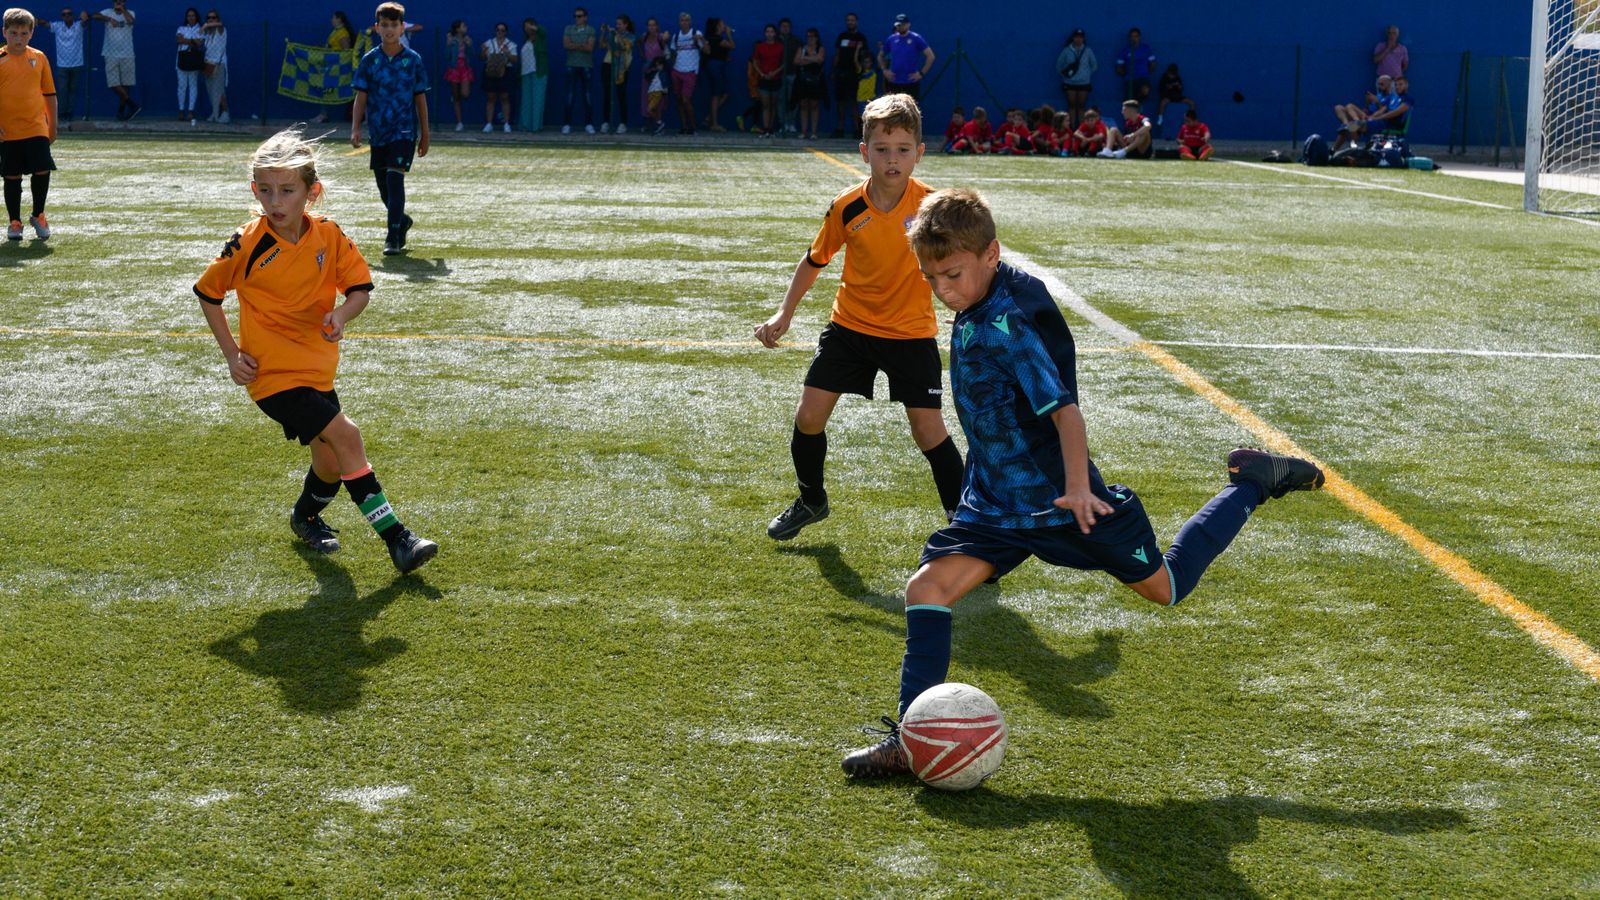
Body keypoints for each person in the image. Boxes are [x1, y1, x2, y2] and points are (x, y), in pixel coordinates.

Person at [839, 187, 1325, 778]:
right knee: (927, 590)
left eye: (953, 275)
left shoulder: (1011, 322)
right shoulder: (979, 295)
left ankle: (1252, 482)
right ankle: (911, 741)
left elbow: (1065, 411)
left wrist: (1076, 487)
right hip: (994, 504)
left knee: (1165, 588)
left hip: (1063, 503)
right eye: (933, 277)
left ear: (991, 254)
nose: (944, 290)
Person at [194, 129, 438, 575]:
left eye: (287, 190)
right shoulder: (246, 243)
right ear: (254, 191)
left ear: (312, 191)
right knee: (347, 436)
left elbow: (361, 289)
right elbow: (208, 294)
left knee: (329, 460)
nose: (275, 200)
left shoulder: (328, 235)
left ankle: (305, 516)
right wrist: (232, 355)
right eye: (265, 190)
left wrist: (342, 315)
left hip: (317, 371)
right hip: (271, 376)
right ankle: (399, 540)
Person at [753, 93, 964, 541]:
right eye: (883, 150)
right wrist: (784, 313)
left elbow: (957, 264)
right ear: (864, 151)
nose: (893, 160)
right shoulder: (847, 206)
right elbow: (814, 260)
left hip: (910, 334)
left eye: (903, 150)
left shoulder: (932, 207)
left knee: (929, 431)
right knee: (809, 417)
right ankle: (812, 499)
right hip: (850, 328)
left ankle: (968, 527)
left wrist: (963, 304)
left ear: (919, 153)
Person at [351, 0, 429, 256]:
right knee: (383, 187)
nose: (389, 30)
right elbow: (361, 97)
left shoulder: (413, 60)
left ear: (402, 28)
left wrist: (425, 134)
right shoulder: (369, 61)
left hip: (404, 132)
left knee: (395, 182)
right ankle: (402, 220)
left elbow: (420, 98)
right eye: (384, 25)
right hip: (379, 133)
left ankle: (392, 237)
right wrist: (355, 129)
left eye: (394, 25)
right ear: (377, 27)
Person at [0, 6, 57, 241]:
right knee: (11, 176)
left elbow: (49, 94)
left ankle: (38, 214)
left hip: (36, 127)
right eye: (14, 33)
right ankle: (15, 222)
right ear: (4, 32)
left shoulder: (39, 57)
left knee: (42, 169)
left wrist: (52, 127)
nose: (19, 38)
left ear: (31, 33)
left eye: (24, 33)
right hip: (8, 130)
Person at [91, 0, 137, 120]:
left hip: (127, 53)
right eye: (116, 1)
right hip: (110, 53)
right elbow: (95, 15)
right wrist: (109, 19)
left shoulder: (130, 13)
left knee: (126, 83)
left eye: (121, 1)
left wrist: (123, 10)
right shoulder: (108, 12)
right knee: (113, 83)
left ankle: (121, 111)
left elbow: (131, 21)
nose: (118, 3)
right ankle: (132, 105)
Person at [43, 8, 86, 121]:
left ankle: (69, 112)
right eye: (64, 14)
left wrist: (84, 15)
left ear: (72, 15)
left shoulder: (78, 26)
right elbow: (46, 24)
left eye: (69, 14)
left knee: (72, 90)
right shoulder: (57, 26)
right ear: (62, 17)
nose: (67, 16)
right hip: (62, 64)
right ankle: (61, 112)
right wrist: (35, 20)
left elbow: (85, 21)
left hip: (77, 63)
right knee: (62, 90)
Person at [312, 11, 355, 124]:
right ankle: (323, 114)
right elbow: (331, 47)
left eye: (333, 18)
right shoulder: (335, 32)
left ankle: (359, 116)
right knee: (325, 90)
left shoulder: (342, 33)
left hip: (337, 69)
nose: (331, 20)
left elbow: (346, 50)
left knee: (331, 90)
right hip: (330, 67)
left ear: (339, 19)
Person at [1333, 74, 1396, 150]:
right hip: (1365, 117)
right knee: (1339, 108)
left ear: (1389, 84)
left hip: (1376, 121)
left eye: (1382, 84)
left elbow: (1384, 112)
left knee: (1352, 126)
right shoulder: (1379, 95)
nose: (1379, 86)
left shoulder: (1392, 97)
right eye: (1378, 84)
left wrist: (1376, 102)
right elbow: (1367, 110)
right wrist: (1368, 101)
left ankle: (1351, 148)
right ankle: (1346, 125)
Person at [878, 12, 931, 100]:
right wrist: (884, 70)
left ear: (908, 24)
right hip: (894, 82)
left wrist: (921, 73)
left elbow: (930, 56)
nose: (900, 27)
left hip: (911, 82)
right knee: (894, 111)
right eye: (898, 25)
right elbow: (880, 56)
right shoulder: (891, 39)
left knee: (911, 111)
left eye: (903, 24)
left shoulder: (916, 38)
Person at [830, 11, 866, 138]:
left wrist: (861, 72)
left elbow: (864, 58)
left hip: (855, 75)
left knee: (854, 102)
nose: (850, 22)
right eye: (848, 20)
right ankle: (840, 129)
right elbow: (838, 55)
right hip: (841, 73)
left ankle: (857, 129)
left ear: (856, 22)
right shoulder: (842, 37)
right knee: (841, 102)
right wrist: (833, 71)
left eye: (852, 20)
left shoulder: (861, 38)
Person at [668, 11, 704, 136]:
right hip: (677, 71)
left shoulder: (696, 33)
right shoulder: (676, 36)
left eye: (687, 20)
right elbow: (673, 53)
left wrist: (701, 39)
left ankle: (694, 127)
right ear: (679, 22)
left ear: (690, 22)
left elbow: (707, 50)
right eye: (682, 20)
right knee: (679, 100)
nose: (684, 22)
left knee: (686, 99)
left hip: (690, 71)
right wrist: (671, 69)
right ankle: (684, 127)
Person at [561, 7, 595, 134]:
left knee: (587, 95)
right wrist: (581, 45)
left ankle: (589, 124)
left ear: (585, 17)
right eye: (575, 16)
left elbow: (590, 47)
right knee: (570, 95)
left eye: (580, 16)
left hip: (587, 66)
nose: (577, 18)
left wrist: (574, 45)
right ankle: (567, 124)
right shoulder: (568, 29)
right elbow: (566, 45)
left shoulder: (591, 29)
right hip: (571, 65)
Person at [597, 14, 632, 134]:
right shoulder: (612, 35)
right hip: (608, 65)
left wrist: (616, 34)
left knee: (621, 95)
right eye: (616, 24)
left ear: (626, 25)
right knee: (607, 94)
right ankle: (605, 122)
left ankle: (623, 123)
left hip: (621, 69)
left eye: (620, 24)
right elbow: (601, 45)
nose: (617, 26)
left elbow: (623, 47)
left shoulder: (630, 36)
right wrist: (603, 32)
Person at [1055, 28, 1094, 128]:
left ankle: (1081, 127)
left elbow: (1094, 65)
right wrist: (1067, 76)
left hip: (1084, 83)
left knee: (1081, 106)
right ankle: (1071, 127)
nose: (1078, 39)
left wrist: (1085, 75)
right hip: (1070, 82)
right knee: (1071, 105)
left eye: (1081, 37)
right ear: (1073, 38)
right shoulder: (1067, 50)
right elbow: (1059, 65)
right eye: (1076, 37)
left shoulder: (1087, 50)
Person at [481, 21, 514, 132]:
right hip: (491, 72)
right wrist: (483, 51)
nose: (500, 32)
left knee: (505, 97)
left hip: (505, 71)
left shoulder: (511, 44)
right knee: (491, 97)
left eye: (502, 30)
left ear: (506, 32)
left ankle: (506, 124)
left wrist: (507, 53)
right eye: (498, 30)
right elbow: (482, 57)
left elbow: (515, 60)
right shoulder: (489, 43)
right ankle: (489, 123)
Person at [751, 22, 783, 138]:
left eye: (772, 32)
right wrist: (762, 73)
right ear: (765, 34)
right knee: (765, 104)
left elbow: (784, 63)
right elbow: (755, 62)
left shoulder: (780, 46)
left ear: (775, 34)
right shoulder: (760, 47)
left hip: (776, 78)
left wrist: (775, 72)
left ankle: (771, 128)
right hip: (763, 79)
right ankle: (765, 129)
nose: (769, 34)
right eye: (767, 32)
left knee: (773, 104)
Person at [793, 27, 824, 140]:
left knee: (814, 105)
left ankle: (814, 132)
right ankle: (804, 131)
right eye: (808, 37)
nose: (810, 39)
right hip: (803, 80)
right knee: (803, 105)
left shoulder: (820, 48)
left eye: (812, 36)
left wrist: (805, 59)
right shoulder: (802, 48)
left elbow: (820, 59)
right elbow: (796, 61)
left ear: (816, 38)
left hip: (815, 80)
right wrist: (812, 59)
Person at [700, 16, 730, 131]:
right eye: (722, 24)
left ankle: (709, 118)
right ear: (717, 26)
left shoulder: (713, 38)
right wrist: (729, 34)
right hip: (715, 67)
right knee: (716, 95)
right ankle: (714, 124)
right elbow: (732, 45)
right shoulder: (716, 39)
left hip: (717, 67)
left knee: (724, 94)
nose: (724, 25)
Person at [518, 16, 547, 132]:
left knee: (538, 99)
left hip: (538, 72)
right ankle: (526, 125)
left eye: (529, 25)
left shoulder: (540, 38)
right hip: (526, 73)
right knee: (526, 100)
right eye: (525, 26)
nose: (527, 28)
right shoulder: (525, 41)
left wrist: (534, 27)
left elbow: (543, 31)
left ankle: (535, 126)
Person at [442, 19, 472, 131]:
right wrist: (448, 44)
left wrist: (469, 46)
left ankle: (457, 95)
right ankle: (459, 122)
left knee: (465, 94)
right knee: (456, 97)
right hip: (454, 68)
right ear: (458, 29)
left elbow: (471, 54)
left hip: (465, 68)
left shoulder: (467, 39)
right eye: (463, 26)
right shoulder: (452, 40)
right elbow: (447, 56)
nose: (466, 27)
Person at [174, 7, 202, 123]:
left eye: (193, 15)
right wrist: (192, 41)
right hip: (182, 59)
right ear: (186, 17)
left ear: (196, 17)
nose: (191, 17)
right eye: (189, 16)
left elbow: (200, 43)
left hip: (194, 60)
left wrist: (187, 40)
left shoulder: (200, 29)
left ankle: (190, 111)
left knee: (193, 85)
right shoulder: (181, 28)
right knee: (182, 86)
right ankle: (181, 110)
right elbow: (178, 40)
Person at [636, 15, 665, 126]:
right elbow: (638, 43)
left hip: (658, 74)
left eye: (653, 25)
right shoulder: (644, 36)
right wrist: (643, 56)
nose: (651, 27)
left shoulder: (660, 37)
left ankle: (658, 123)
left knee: (658, 97)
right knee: (646, 96)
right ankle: (648, 122)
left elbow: (666, 49)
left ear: (657, 26)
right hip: (647, 72)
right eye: (649, 25)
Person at [1114, 26, 1154, 105]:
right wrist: (1126, 74)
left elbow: (1153, 64)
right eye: (1131, 36)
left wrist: (1145, 72)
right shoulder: (1125, 51)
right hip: (1130, 79)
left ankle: (1139, 104)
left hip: (1142, 78)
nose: (1133, 38)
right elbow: (1119, 67)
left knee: (1145, 90)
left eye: (1135, 36)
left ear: (1139, 37)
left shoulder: (1146, 49)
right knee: (1129, 102)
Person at [199, 8, 227, 122]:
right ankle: (215, 113)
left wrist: (206, 25)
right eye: (208, 18)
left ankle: (225, 113)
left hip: (218, 64)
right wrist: (205, 28)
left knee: (219, 90)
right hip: (208, 63)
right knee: (211, 90)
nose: (211, 20)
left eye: (213, 17)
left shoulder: (221, 30)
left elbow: (221, 24)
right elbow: (199, 34)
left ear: (217, 18)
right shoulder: (208, 33)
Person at [776, 17, 800, 135]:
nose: (785, 29)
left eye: (787, 26)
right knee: (781, 100)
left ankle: (791, 123)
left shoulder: (795, 41)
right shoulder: (776, 40)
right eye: (783, 26)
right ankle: (783, 123)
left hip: (792, 74)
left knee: (792, 101)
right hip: (778, 76)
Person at [1155, 62, 1191, 128]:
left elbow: (1181, 88)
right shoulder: (1164, 77)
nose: (1172, 76)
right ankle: (1160, 118)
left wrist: (1179, 87)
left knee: (1191, 103)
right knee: (1163, 103)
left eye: (1173, 74)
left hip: (1177, 96)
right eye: (1171, 74)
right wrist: (1169, 87)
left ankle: (1191, 119)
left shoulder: (1177, 77)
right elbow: (1161, 89)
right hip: (1167, 96)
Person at [642, 51, 667, 135]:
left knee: (649, 109)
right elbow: (646, 76)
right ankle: (659, 128)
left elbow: (665, 84)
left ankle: (659, 123)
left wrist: (665, 93)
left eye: (659, 65)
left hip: (657, 93)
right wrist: (651, 70)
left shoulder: (663, 74)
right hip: (651, 93)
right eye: (656, 65)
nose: (658, 67)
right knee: (655, 110)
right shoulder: (654, 73)